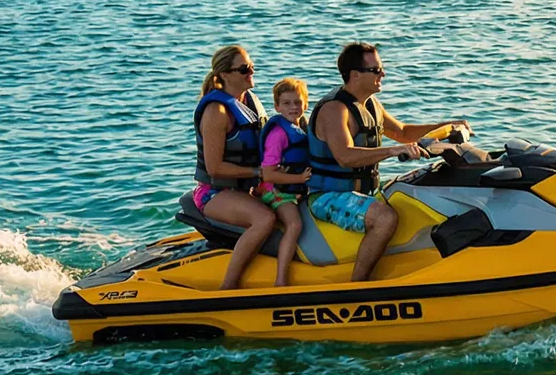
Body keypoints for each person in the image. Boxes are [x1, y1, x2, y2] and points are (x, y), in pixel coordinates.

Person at [306, 42, 469, 282]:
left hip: (364, 191)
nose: (383, 74)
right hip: (328, 195)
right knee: (386, 218)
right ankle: (358, 286)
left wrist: (448, 127)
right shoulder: (335, 110)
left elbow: (403, 132)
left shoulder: (369, 104)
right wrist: (393, 151)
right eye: (377, 70)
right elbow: (345, 156)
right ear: (355, 75)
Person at [192, 45, 274, 290]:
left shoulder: (250, 102)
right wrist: (258, 173)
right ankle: (228, 287)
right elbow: (214, 168)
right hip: (214, 192)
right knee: (264, 219)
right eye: (244, 69)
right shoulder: (216, 111)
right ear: (226, 75)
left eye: (251, 66)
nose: (252, 72)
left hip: (247, 189)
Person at [256, 77, 312, 287]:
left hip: (293, 188)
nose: (293, 107)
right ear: (277, 106)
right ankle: (281, 280)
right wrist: (298, 178)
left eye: (298, 102)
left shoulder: (303, 128)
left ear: (305, 104)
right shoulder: (279, 135)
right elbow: (268, 174)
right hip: (276, 190)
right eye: (287, 103)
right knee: (294, 224)